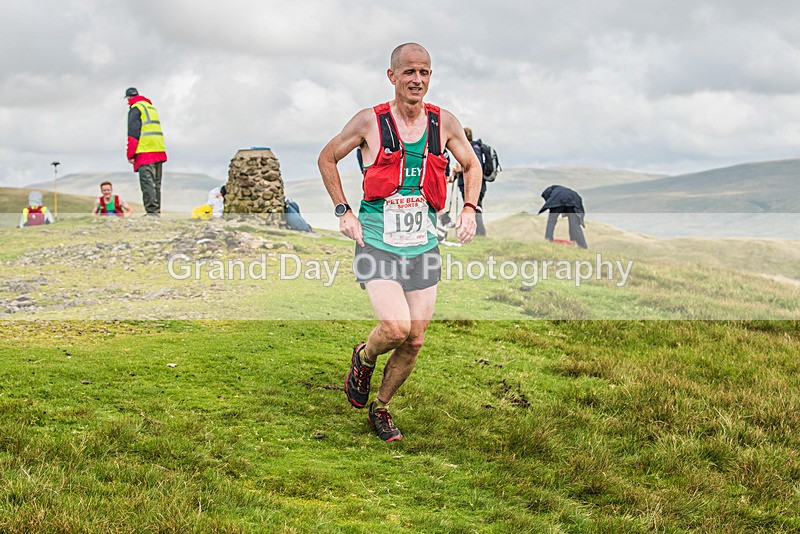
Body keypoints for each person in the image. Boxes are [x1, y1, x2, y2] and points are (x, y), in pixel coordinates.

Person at [318, 42, 482, 442]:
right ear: (392, 76)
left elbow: (472, 164)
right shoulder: (369, 122)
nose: (417, 80)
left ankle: (382, 408)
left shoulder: (444, 122)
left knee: (416, 338)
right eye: (409, 72)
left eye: (424, 72)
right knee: (395, 328)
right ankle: (364, 357)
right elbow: (326, 157)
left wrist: (469, 209)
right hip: (377, 241)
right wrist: (344, 211)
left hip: (423, 244)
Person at [125, 87, 167, 215]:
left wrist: (130, 154)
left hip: (145, 151)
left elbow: (133, 134)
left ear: (128, 98)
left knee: (147, 183)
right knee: (156, 184)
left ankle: (151, 213)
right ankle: (156, 211)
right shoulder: (151, 108)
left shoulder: (135, 109)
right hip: (158, 149)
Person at [450, 128, 488, 236]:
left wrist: (459, 170)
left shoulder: (473, 149)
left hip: (474, 185)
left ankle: (479, 233)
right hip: (473, 185)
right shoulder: (472, 148)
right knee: (475, 208)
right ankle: (478, 233)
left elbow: (475, 166)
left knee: (474, 208)